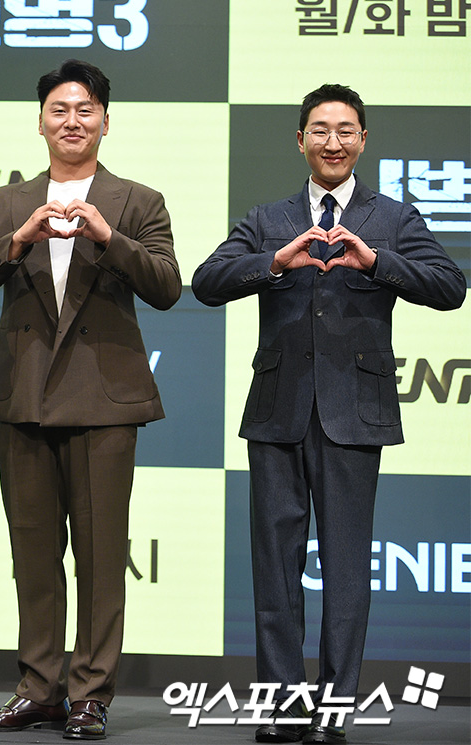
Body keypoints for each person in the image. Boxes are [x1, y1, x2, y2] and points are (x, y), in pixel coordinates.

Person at [192, 84, 465, 745]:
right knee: (274, 569)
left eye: (345, 130)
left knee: (345, 570)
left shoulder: (393, 218)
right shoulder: (269, 218)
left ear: (363, 140)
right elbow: (205, 281)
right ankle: (284, 708)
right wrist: (272, 262)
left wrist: (377, 262)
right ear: (300, 140)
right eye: (320, 129)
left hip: (354, 413)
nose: (333, 141)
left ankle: (334, 709)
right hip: (277, 410)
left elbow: (450, 287)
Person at [0, 59, 180, 741]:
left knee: (100, 556)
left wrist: (109, 238)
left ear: (105, 121)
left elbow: (167, 285)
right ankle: (38, 689)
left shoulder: (137, 200)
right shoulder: (6, 203)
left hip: (103, 401)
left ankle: (89, 693)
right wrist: (19, 239)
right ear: (40, 123)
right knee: (32, 554)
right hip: (23, 396)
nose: (72, 121)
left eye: (85, 109)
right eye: (59, 110)